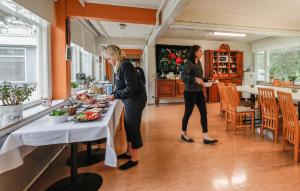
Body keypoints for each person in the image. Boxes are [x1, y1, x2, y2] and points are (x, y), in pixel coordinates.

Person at [105, 45, 147, 170]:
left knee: (133, 127)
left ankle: (134, 159)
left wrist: (116, 95)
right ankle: (128, 152)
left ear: (114, 55)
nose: (108, 61)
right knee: (128, 125)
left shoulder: (126, 65)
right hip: (130, 99)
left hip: (135, 99)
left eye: (108, 58)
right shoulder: (120, 67)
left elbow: (132, 87)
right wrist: (115, 93)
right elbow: (122, 85)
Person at [181, 45, 218, 144]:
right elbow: (183, 76)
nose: (201, 53)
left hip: (199, 92)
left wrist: (208, 79)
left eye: (201, 51)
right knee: (188, 113)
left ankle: (206, 136)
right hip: (189, 92)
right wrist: (194, 79)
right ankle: (183, 133)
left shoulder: (199, 62)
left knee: (204, 113)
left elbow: (199, 77)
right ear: (195, 52)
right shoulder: (188, 63)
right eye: (200, 51)